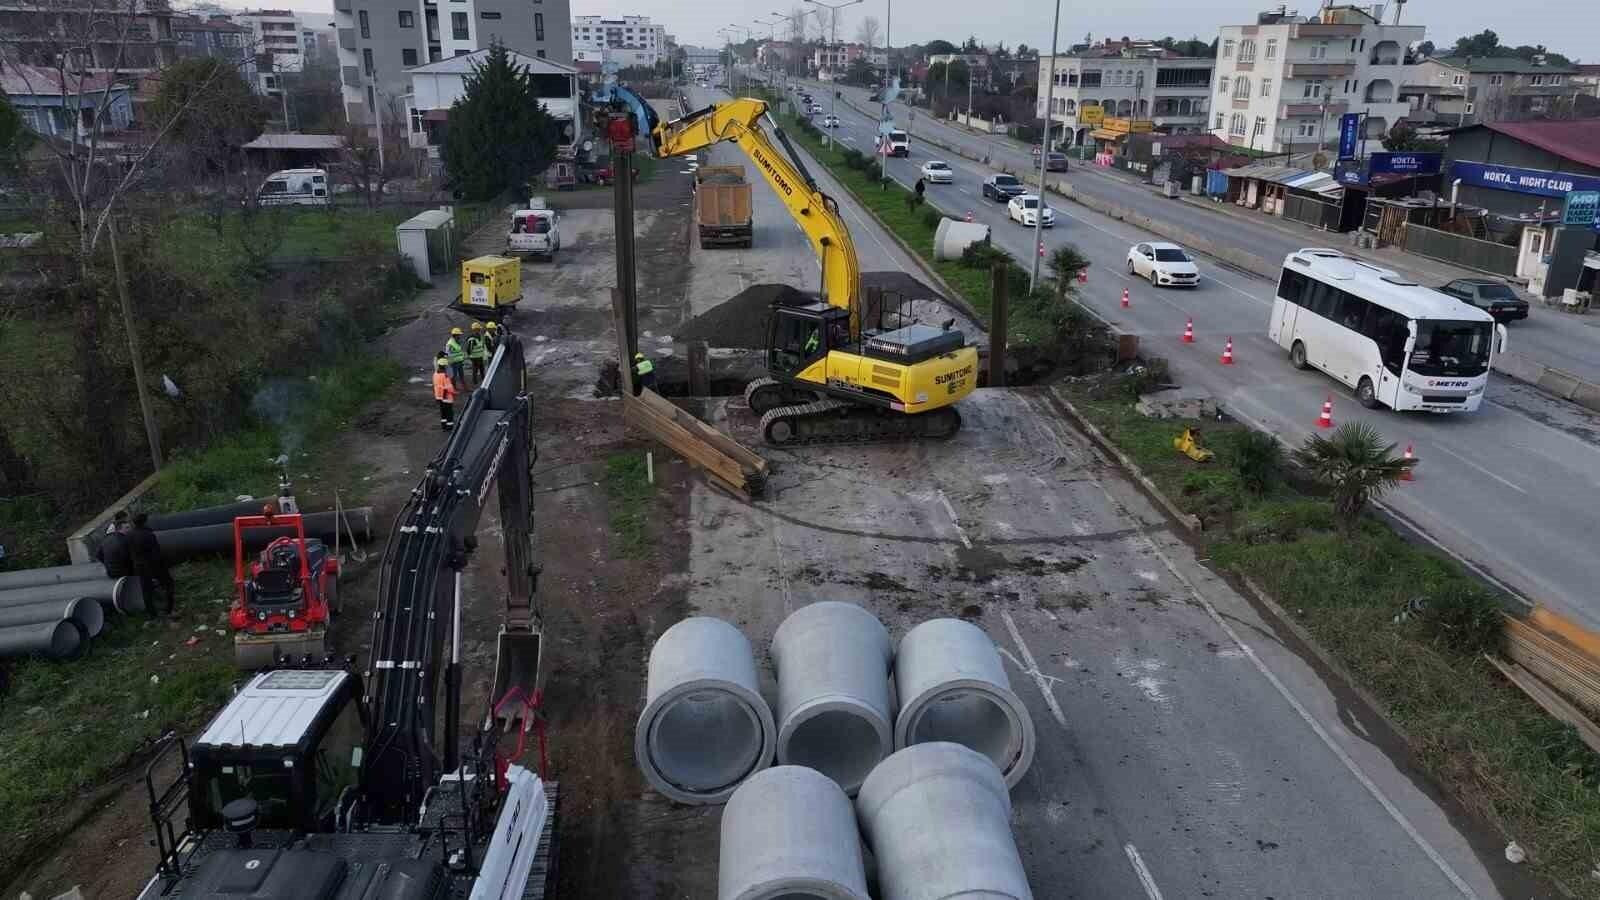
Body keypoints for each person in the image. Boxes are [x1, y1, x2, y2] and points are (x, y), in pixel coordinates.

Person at [129, 512, 175, 617]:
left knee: (146, 590)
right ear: (145, 522)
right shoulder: (148, 535)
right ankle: (169, 609)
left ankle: (152, 614)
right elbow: (156, 553)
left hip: (139, 567)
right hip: (153, 565)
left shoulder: (129, 535)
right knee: (168, 584)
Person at [96, 510, 134, 580]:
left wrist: (108, 563)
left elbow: (98, 554)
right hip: (122, 571)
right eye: (127, 528)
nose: (130, 530)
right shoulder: (123, 539)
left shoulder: (109, 538)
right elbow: (127, 558)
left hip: (111, 570)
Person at [433, 356, 456, 431]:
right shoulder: (445, 376)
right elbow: (449, 388)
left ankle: (444, 427)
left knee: (443, 413)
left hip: (439, 397)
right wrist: (454, 392)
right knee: (449, 413)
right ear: (445, 366)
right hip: (447, 398)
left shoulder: (435, 374)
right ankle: (450, 427)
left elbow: (436, 386)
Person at [444, 326, 467, 391]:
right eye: (459, 335)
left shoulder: (457, 341)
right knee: (454, 376)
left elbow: (459, 351)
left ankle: (465, 388)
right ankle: (454, 388)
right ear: (455, 335)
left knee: (461, 375)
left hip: (459, 361)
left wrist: (462, 359)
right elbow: (447, 353)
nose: (460, 336)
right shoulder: (450, 343)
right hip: (454, 363)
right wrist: (449, 363)